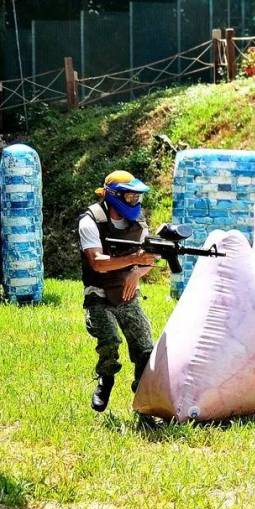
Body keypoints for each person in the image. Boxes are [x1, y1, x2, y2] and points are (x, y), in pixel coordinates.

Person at [78, 170, 158, 413]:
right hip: (99, 294)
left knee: (145, 346)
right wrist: (134, 259)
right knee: (110, 339)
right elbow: (98, 262)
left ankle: (144, 399)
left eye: (138, 197)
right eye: (130, 197)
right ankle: (106, 378)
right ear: (113, 196)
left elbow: (150, 259)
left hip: (126, 294)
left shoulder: (138, 223)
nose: (136, 202)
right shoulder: (90, 221)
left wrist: (136, 273)